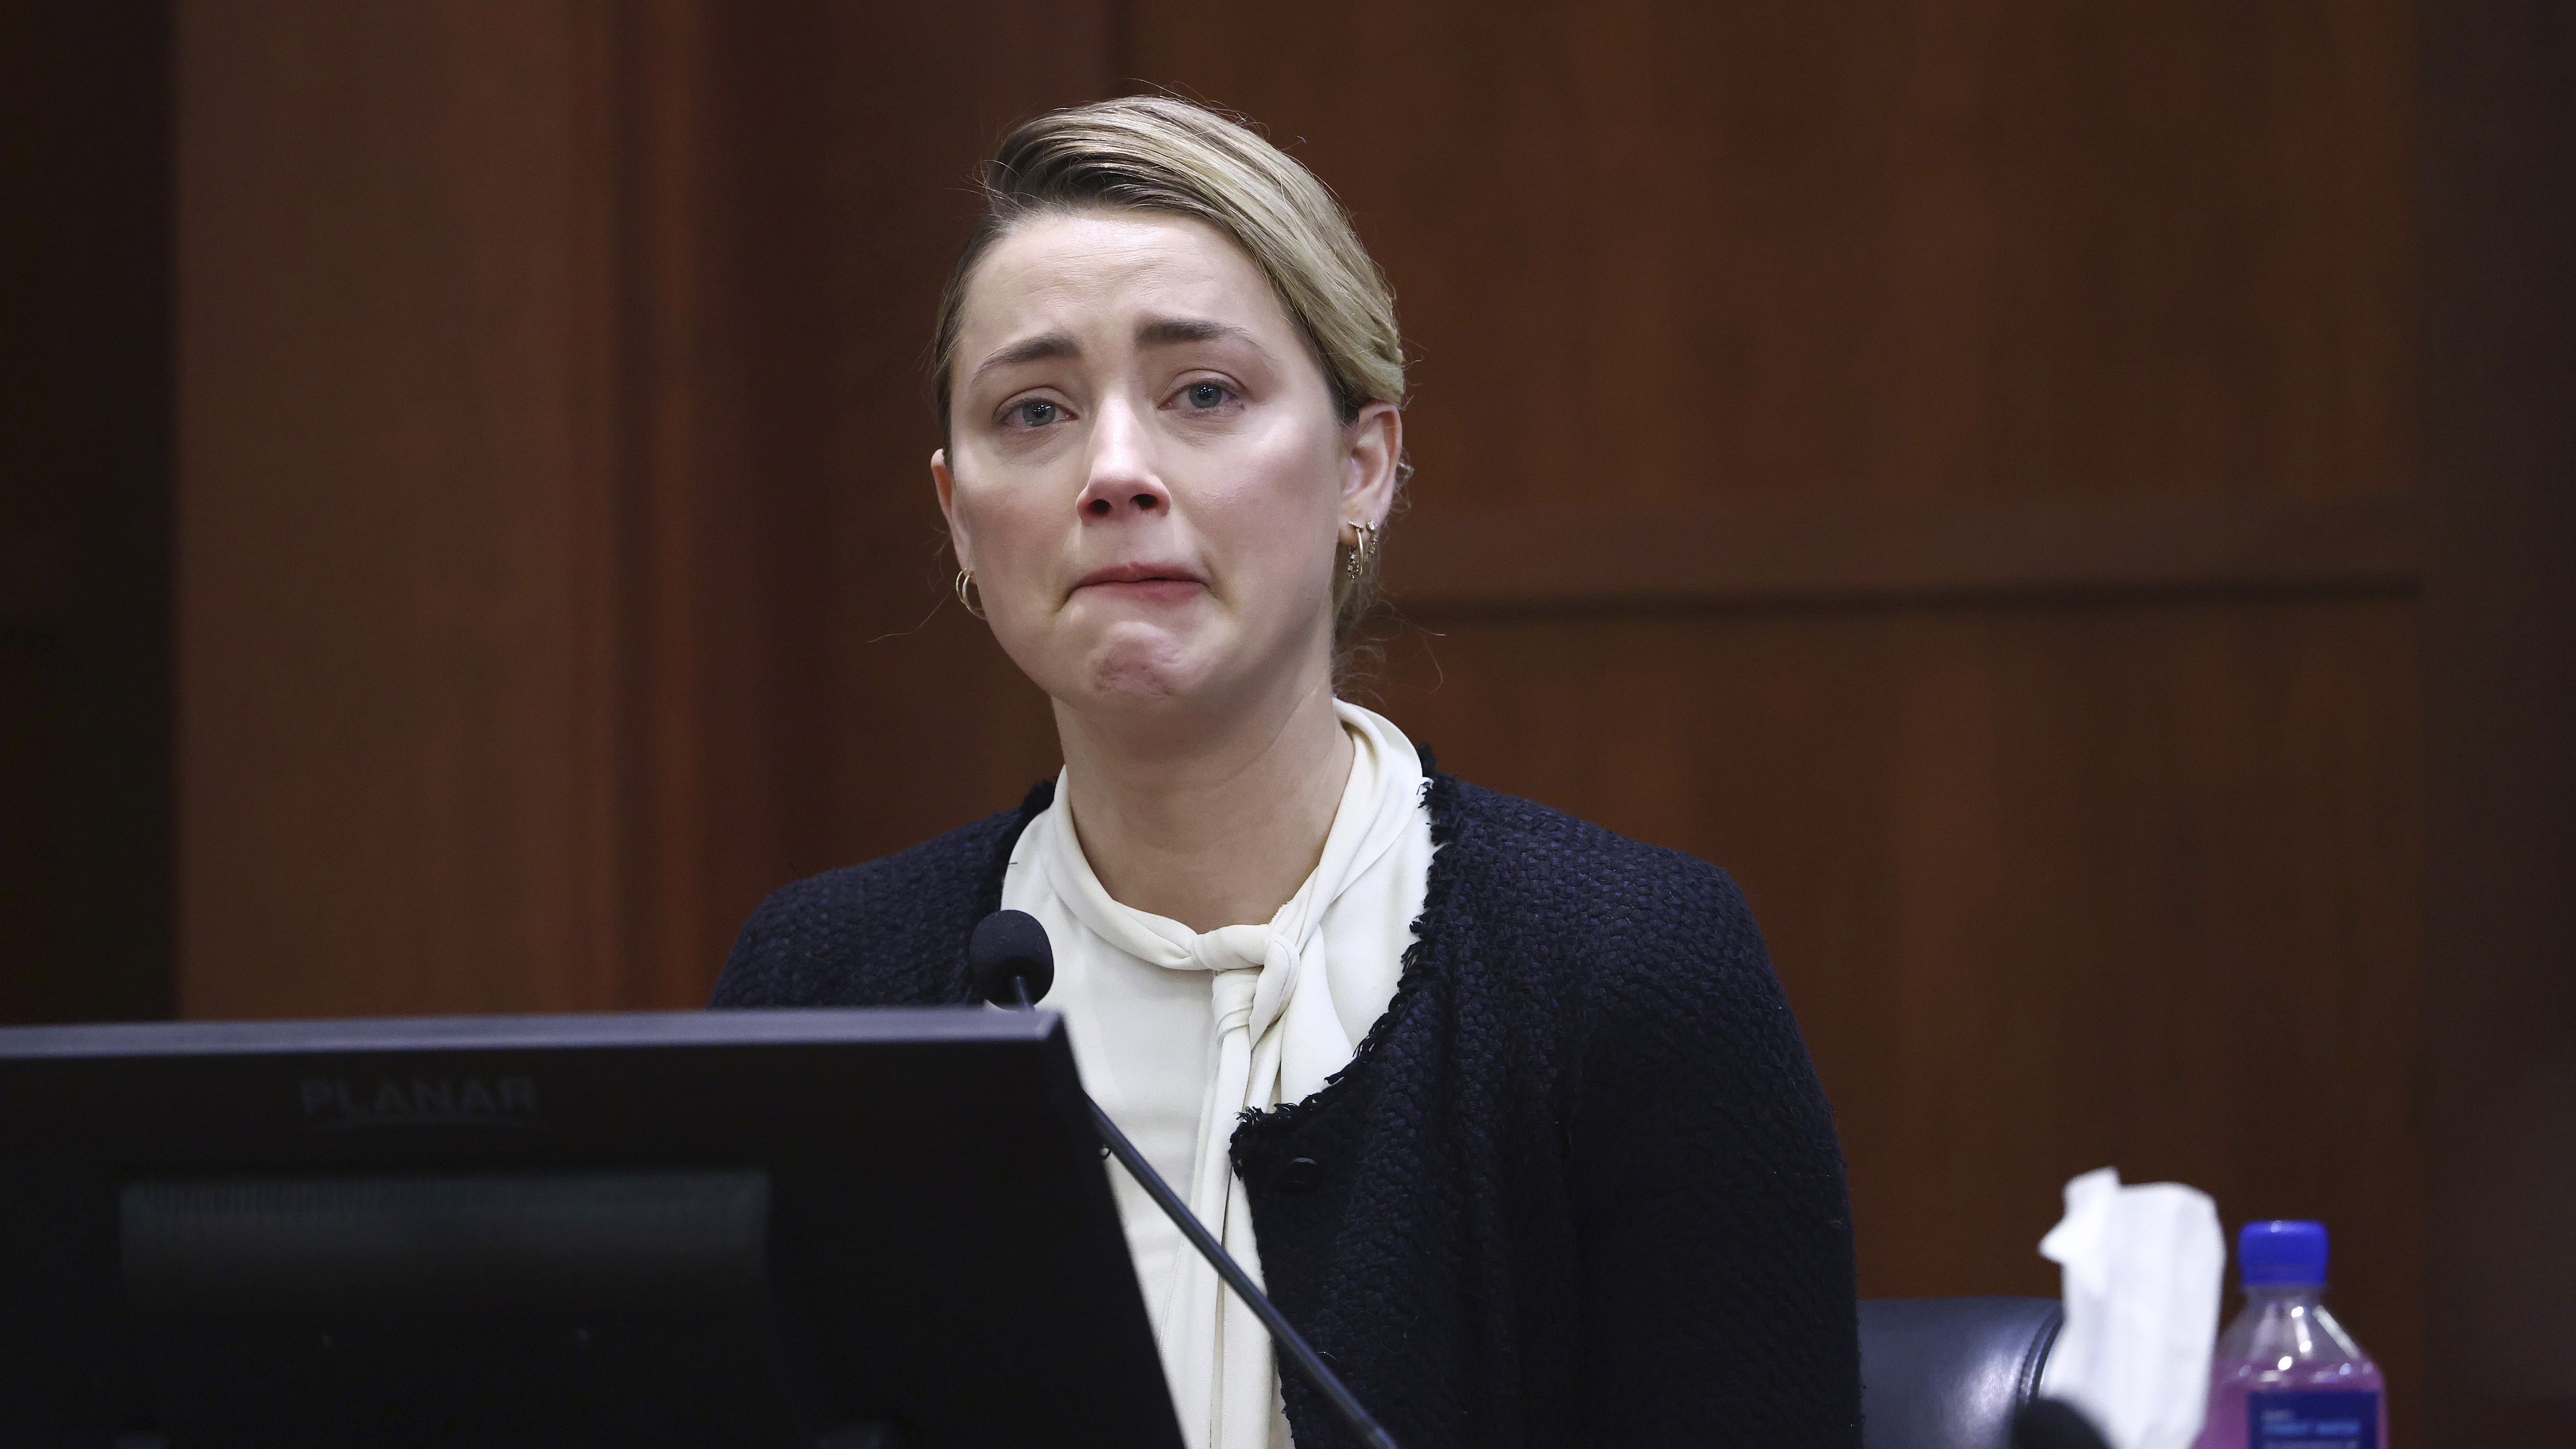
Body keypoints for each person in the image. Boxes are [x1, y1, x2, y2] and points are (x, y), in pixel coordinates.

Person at [712, 96, 1861, 1449]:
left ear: (1362, 468)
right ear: (960, 514)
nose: (1115, 471)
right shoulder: (826, 990)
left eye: (1203, 392)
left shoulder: (1628, 969)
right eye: (1033, 410)